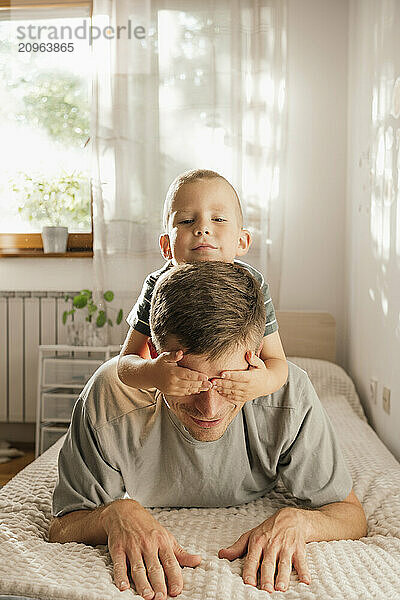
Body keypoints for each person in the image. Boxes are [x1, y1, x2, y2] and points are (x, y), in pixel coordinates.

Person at [49, 261, 367, 600]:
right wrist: (114, 514)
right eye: (189, 382)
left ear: (255, 358)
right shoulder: (108, 396)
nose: (209, 409)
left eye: (228, 383)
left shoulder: (289, 394)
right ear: (155, 357)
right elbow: (62, 526)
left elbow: (350, 515)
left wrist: (299, 522)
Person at [117, 169, 288, 403]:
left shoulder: (253, 285)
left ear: (242, 241)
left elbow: (277, 362)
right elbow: (126, 363)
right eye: (187, 221)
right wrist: (154, 373)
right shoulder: (157, 285)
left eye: (218, 219)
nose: (202, 229)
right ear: (166, 246)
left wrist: (263, 382)